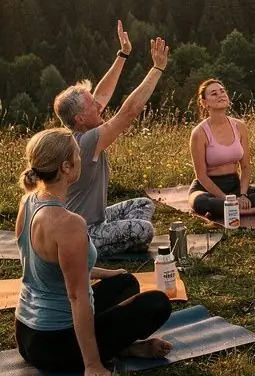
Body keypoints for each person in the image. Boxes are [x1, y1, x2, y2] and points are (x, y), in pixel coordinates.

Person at [14, 129, 172, 376]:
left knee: (125, 282)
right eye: (77, 154)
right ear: (66, 167)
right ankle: (123, 350)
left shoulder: (29, 201)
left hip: (27, 333)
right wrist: (92, 364)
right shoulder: (68, 224)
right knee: (156, 304)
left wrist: (107, 274)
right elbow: (78, 297)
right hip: (55, 345)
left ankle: (123, 346)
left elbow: (46, 267)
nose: (81, 157)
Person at [54, 24, 169, 257]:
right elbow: (130, 111)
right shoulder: (85, 142)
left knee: (143, 205)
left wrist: (123, 54)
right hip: (84, 232)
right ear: (80, 117)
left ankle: (118, 240)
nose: (99, 104)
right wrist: (157, 68)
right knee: (143, 229)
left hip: (97, 218)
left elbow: (102, 94)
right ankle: (102, 248)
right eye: (92, 104)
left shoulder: (82, 128)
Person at [189, 79, 255, 219]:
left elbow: (246, 166)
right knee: (200, 202)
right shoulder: (199, 133)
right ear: (205, 103)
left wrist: (242, 195)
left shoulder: (239, 126)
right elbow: (201, 176)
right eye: (214, 93)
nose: (220, 95)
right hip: (207, 188)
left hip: (235, 187)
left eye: (222, 91)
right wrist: (226, 199)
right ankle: (248, 210)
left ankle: (229, 210)